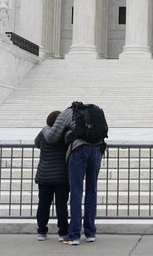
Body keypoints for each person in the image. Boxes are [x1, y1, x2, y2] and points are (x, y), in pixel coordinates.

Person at [42, 102, 105, 245]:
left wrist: (46, 128)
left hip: (78, 150)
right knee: (91, 192)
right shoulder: (94, 112)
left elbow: (51, 137)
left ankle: (75, 235)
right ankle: (90, 233)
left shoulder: (67, 113)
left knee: (76, 192)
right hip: (96, 151)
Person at [34, 110, 69, 242]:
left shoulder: (43, 133)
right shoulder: (65, 134)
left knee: (43, 204)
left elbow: (36, 143)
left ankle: (41, 232)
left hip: (44, 174)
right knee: (61, 205)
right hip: (61, 175)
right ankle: (63, 233)